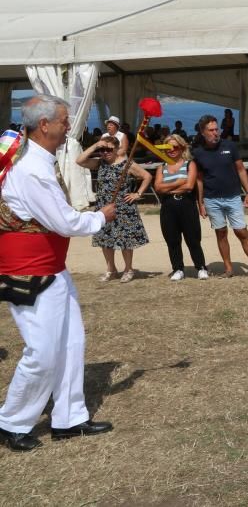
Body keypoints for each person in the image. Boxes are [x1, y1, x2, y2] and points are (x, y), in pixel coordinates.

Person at [0, 94, 117, 452]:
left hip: (51, 268)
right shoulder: (31, 169)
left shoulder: (33, 159)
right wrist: (101, 217)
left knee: (70, 344)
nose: (69, 126)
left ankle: (69, 417)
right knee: (43, 351)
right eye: (65, 121)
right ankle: (11, 421)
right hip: (30, 273)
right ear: (45, 125)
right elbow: (64, 222)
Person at [194, 114, 248, 277]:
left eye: (217, 129)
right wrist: (200, 202)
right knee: (221, 233)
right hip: (211, 199)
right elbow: (199, 179)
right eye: (211, 130)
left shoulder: (230, 146)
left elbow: (241, 169)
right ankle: (228, 269)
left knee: (241, 231)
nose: (215, 133)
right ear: (203, 132)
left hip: (233, 197)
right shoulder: (197, 152)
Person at [77, 135, 151, 283]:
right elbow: (80, 160)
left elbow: (147, 176)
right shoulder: (100, 164)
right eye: (102, 150)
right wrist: (96, 145)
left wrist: (138, 194)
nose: (105, 152)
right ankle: (111, 269)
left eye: (109, 149)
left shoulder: (126, 164)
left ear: (117, 149)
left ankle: (128, 269)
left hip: (123, 207)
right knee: (105, 239)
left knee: (125, 240)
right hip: (104, 207)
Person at [154, 134, 208, 281]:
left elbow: (190, 186)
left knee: (193, 238)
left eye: (175, 147)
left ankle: (201, 267)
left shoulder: (190, 164)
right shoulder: (161, 167)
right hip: (168, 206)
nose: (171, 150)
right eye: (167, 147)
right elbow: (158, 187)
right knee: (172, 240)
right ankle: (178, 268)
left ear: (182, 147)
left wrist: (168, 188)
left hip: (186, 204)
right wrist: (179, 182)